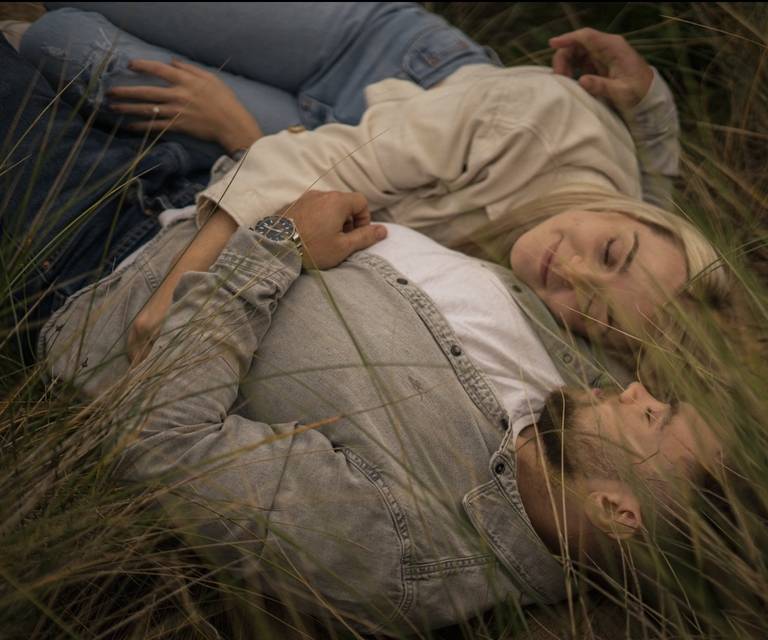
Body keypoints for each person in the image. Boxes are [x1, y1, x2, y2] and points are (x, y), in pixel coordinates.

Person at [39, 183, 725, 634]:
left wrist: (281, 244)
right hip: (223, 178)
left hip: (98, 248)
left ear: (616, 511)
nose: (639, 390)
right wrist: (648, 106)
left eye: (653, 419)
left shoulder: (404, 553)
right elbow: (650, 252)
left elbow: (161, 435)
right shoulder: (575, 391)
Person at [16, 3, 729, 361]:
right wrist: (181, 291)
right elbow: (328, 167)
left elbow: (647, 225)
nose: (565, 267)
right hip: (383, 60)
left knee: (65, 42)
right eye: (608, 252)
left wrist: (652, 109)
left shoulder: (567, 326)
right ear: (638, 217)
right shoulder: (545, 120)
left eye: (589, 304)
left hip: (331, 148)